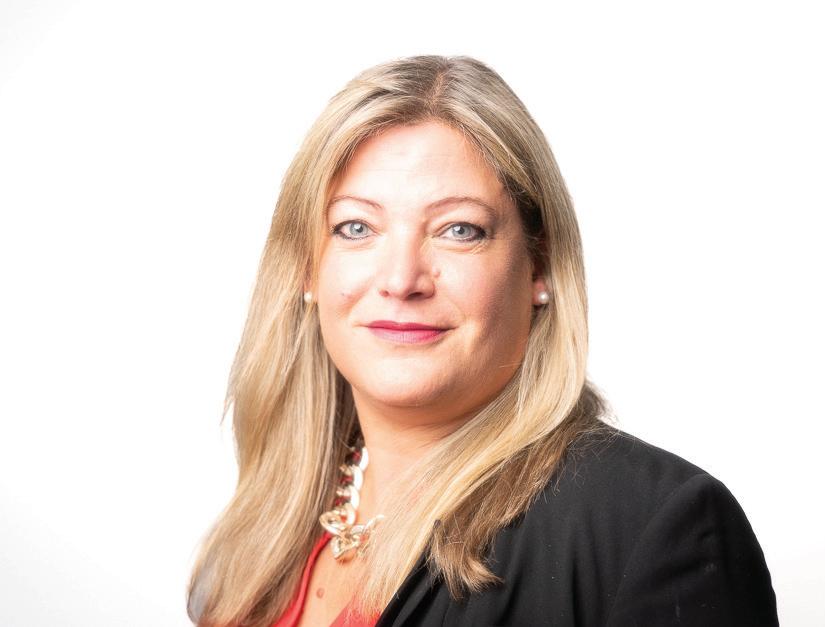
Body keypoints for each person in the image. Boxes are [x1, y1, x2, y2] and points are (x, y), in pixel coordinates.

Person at [186, 55, 778, 627]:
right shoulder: (262, 533)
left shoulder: (656, 525)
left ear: (539, 266)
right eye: (356, 227)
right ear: (307, 269)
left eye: (459, 230)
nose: (401, 279)